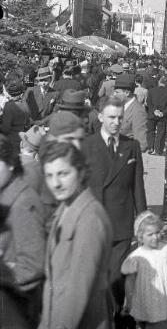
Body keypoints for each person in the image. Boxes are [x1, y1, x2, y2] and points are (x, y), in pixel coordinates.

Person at [82, 95, 147, 328]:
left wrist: (144, 222)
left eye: (120, 118)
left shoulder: (132, 147)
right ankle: (107, 316)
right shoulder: (87, 146)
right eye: (111, 117)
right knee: (98, 278)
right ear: (100, 117)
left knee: (115, 275)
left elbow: (138, 188)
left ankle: (117, 314)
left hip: (121, 224)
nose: (116, 122)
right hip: (95, 223)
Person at [39, 141, 113, 329]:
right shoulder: (65, 208)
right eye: (49, 175)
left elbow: (77, 292)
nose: (55, 183)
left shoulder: (89, 218)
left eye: (63, 174)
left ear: (80, 173)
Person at [0, 134, 45, 328]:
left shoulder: (22, 202)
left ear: (10, 164)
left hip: (17, 307)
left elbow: (33, 266)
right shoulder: (6, 193)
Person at [121, 211, 167, 327]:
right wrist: (129, 301)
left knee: (155, 322)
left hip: (159, 300)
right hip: (142, 299)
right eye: (150, 235)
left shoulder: (165, 249)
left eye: (157, 233)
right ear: (140, 237)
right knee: (143, 322)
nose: (155, 237)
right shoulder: (137, 256)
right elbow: (130, 280)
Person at [113, 74, 148, 152]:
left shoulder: (138, 111)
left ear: (127, 93)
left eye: (117, 92)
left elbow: (142, 145)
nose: (114, 95)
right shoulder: (121, 105)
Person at [146, 75, 167, 155]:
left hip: (152, 114)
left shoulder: (151, 91)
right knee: (160, 132)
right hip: (162, 116)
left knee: (150, 131)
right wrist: (163, 113)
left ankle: (150, 147)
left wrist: (154, 111)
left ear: (159, 82)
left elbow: (148, 103)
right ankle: (158, 149)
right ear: (166, 83)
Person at [0, 79, 30, 152]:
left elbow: (5, 127)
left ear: (9, 93)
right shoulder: (25, 105)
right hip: (22, 137)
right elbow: (27, 123)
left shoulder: (8, 106)